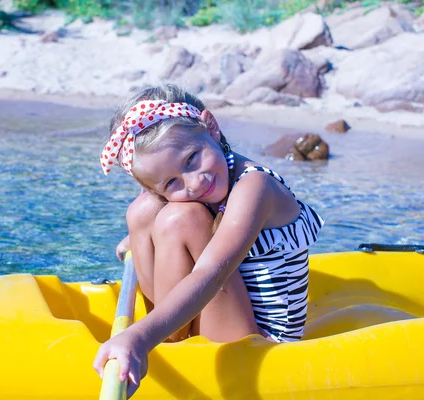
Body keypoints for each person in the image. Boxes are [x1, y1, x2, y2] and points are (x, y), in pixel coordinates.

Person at [93, 84, 323, 397]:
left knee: (181, 218)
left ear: (211, 128)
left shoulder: (255, 187)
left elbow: (210, 273)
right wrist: (137, 233)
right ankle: (167, 338)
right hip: (225, 314)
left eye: (192, 158)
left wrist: (139, 337)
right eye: (171, 181)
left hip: (263, 342)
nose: (194, 182)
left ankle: (153, 340)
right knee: (142, 211)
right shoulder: (192, 185)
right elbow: (155, 199)